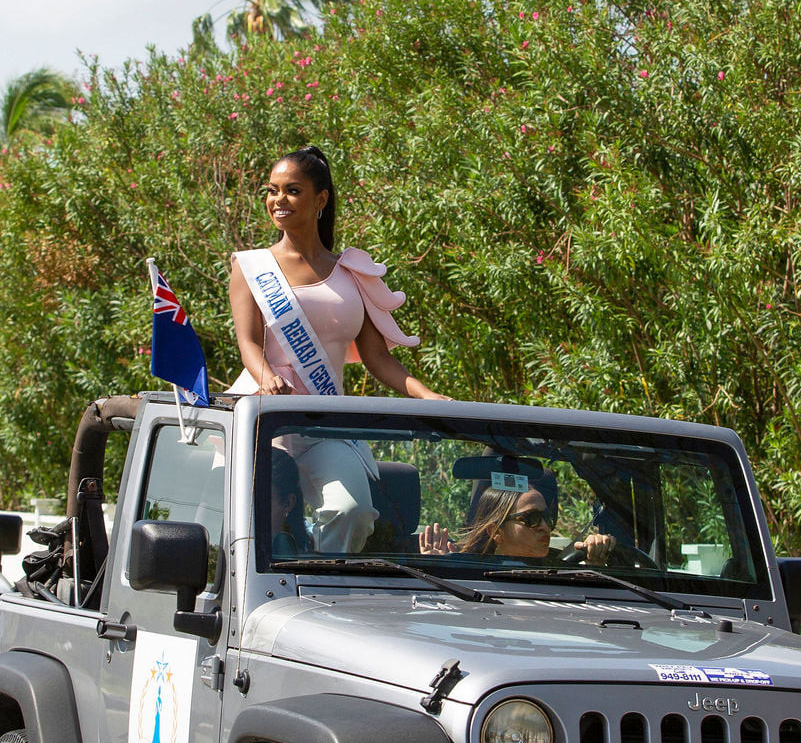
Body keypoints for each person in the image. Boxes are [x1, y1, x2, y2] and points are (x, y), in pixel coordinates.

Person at [227, 145, 443, 552]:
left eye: (292, 190)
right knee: (252, 519)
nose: (278, 200)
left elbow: (379, 359)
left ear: (321, 198)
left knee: (353, 512)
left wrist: (429, 396)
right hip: (263, 416)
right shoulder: (251, 266)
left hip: (324, 420)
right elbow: (249, 343)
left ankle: (321, 587)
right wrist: (266, 376)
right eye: (272, 190)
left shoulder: (351, 272)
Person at [420, 465, 618, 563]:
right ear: (496, 532)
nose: (545, 526)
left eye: (547, 518)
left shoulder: (565, 570)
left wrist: (595, 564)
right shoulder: (464, 579)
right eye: (531, 519)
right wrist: (437, 572)